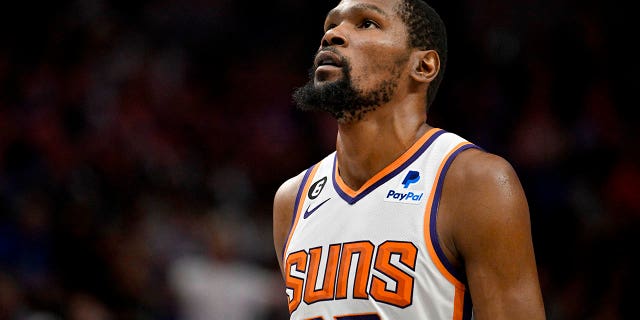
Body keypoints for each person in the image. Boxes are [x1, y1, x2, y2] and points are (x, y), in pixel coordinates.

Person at [273, 0, 546, 319]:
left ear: (423, 66)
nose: (333, 35)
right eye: (330, 26)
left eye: (366, 24)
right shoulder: (292, 199)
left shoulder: (473, 181)